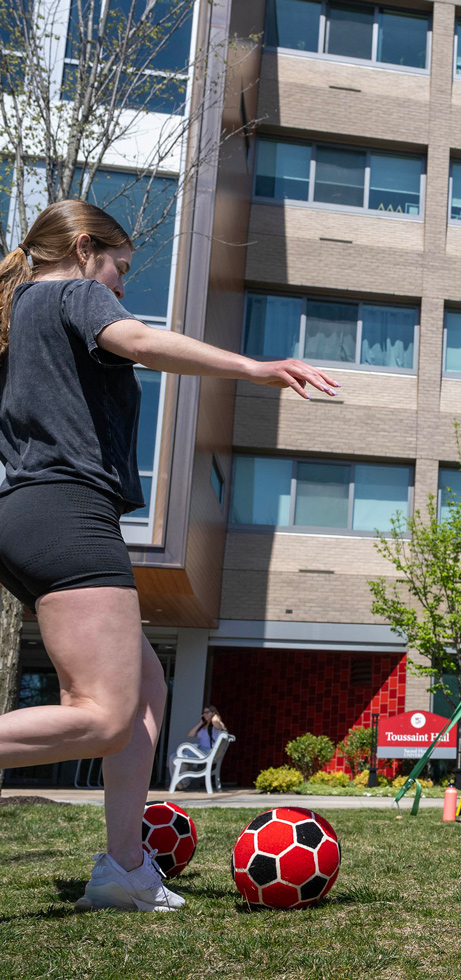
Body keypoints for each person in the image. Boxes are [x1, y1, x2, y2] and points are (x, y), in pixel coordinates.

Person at [0, 200, 340, 912]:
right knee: (104, 716)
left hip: (31, 515)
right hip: (68, 512)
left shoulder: (18, 312)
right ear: (88, 247)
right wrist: (254, 366)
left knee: (146, 690)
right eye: (122, 268)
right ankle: (124, 864)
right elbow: (144, 344)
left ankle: (125, 866)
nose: (120, 286)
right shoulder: (72, 292)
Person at [168, 705, 227, 788]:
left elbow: (216, 722)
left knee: (179, 756)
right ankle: (182, 782)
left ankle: (182, 783)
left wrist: (214, 716)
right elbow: (190, 734)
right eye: (204, 713)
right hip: (199, 750)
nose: (204, 714)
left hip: (207, 752)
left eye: (207, 712)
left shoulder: (216, 726)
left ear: (213, 712)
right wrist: (201, 723)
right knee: (173, 756)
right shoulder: (204, 726)